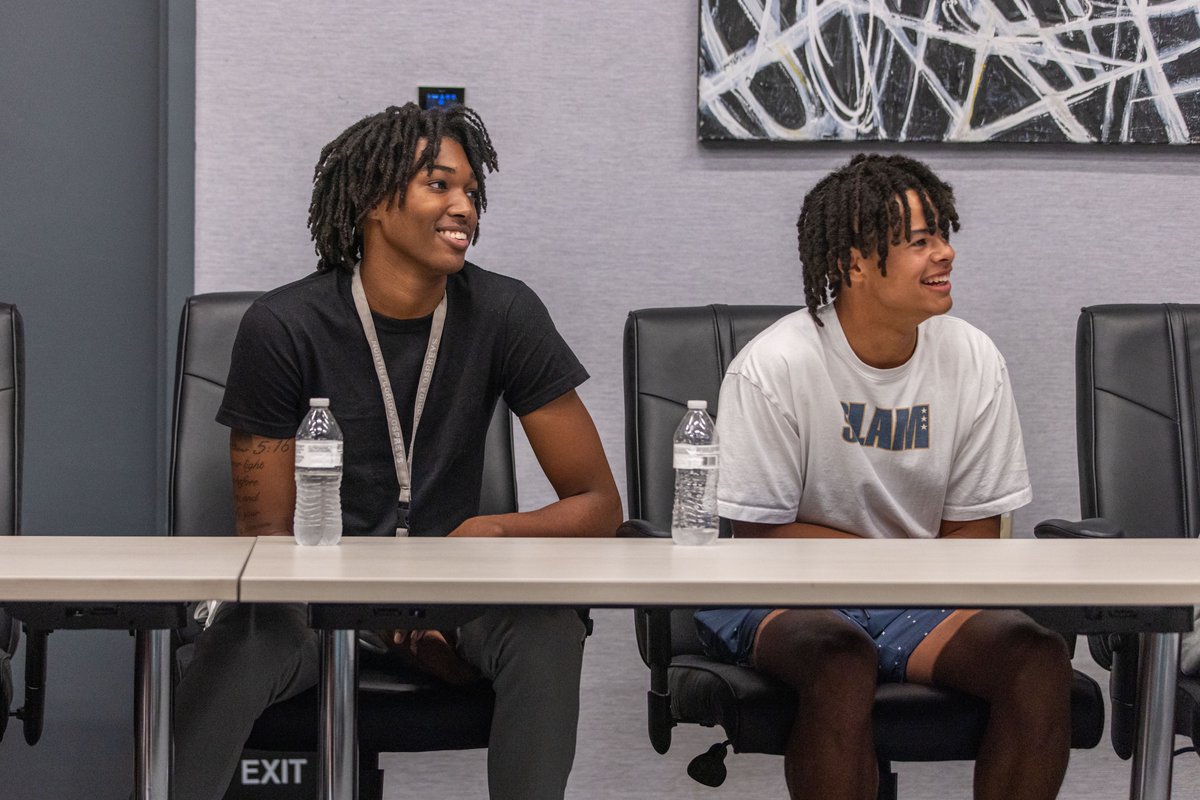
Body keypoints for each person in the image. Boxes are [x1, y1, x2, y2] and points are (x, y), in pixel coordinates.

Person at [172, 103, 623, 800]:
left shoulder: (505, 314)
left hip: (456, 592)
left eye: (471, 191)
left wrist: (491, 531)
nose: (464, 207)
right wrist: (382, 609)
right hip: (310, 602)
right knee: (243, 638)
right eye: (438, 185)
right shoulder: (283, 326)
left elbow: (598, 505)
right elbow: (265, 544)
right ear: (373, 203)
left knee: (548, 629)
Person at [696, 154, 1072, 800]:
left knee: (1036, 659)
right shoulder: (774, 367)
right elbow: (761, 543)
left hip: (916, 594)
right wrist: (901, 565)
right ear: (854, 264)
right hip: (785, 593)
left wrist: (900, 575)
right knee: (841, 659)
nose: (945, 254)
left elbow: (976, 537)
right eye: (920, 241)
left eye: (943, 235)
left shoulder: (973, 360)